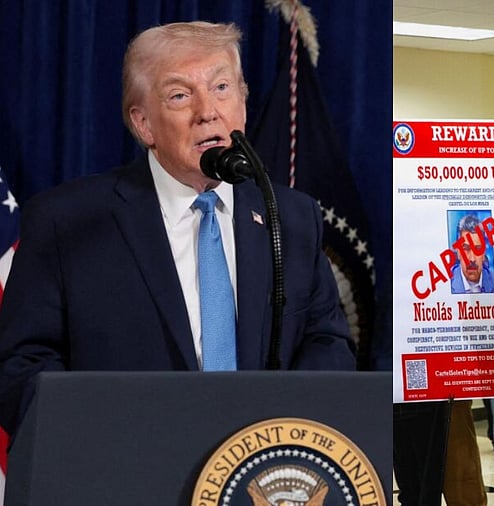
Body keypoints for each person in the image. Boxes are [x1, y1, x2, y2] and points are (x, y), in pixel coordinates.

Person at [0, 22, 356, 437]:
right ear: (144, 124)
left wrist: (281, 425)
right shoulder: (67, 221)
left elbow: (327, 344)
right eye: (180, 95)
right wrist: (105, 437)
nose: (208, 111)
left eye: (222, 87)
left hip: (259, 473)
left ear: (242, 100)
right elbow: (21, 367)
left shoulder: (292, 217)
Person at [450, 213, 494, 294]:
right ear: (458, 252)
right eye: (466, 249)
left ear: (483, 254)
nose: (472, 259)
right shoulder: (446, 283)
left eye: (478, 249)